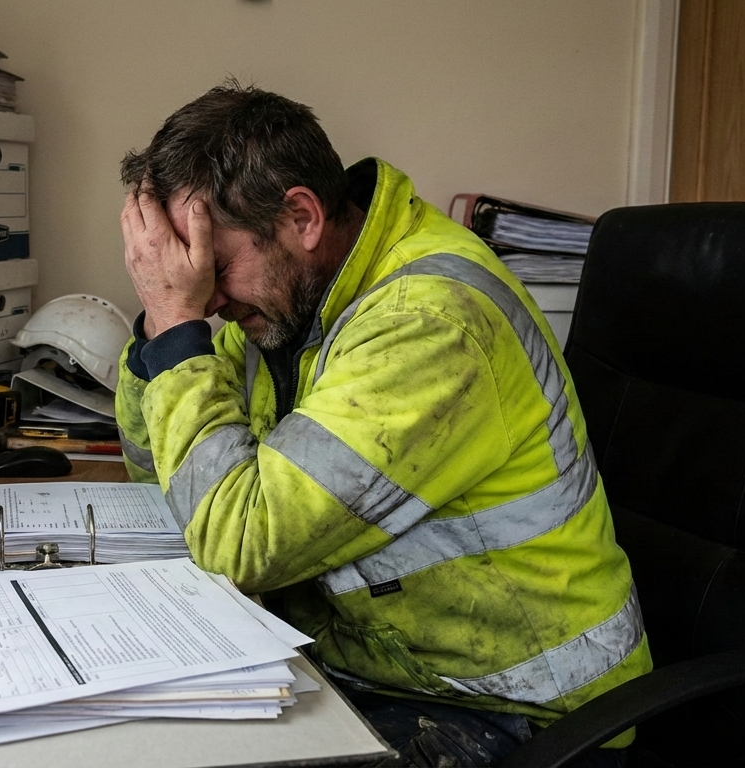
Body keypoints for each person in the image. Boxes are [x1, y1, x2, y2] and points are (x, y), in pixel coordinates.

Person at [115, 81, 651, 767]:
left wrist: (179, 325)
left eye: (213, 268)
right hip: (375, 672)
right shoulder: (286, 301)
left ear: (302, 217)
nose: (208, 300)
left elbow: (241, 544)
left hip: (519, 710)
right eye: (183, 276)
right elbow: (158, 474)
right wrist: (162, 324)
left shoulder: (430, 322)